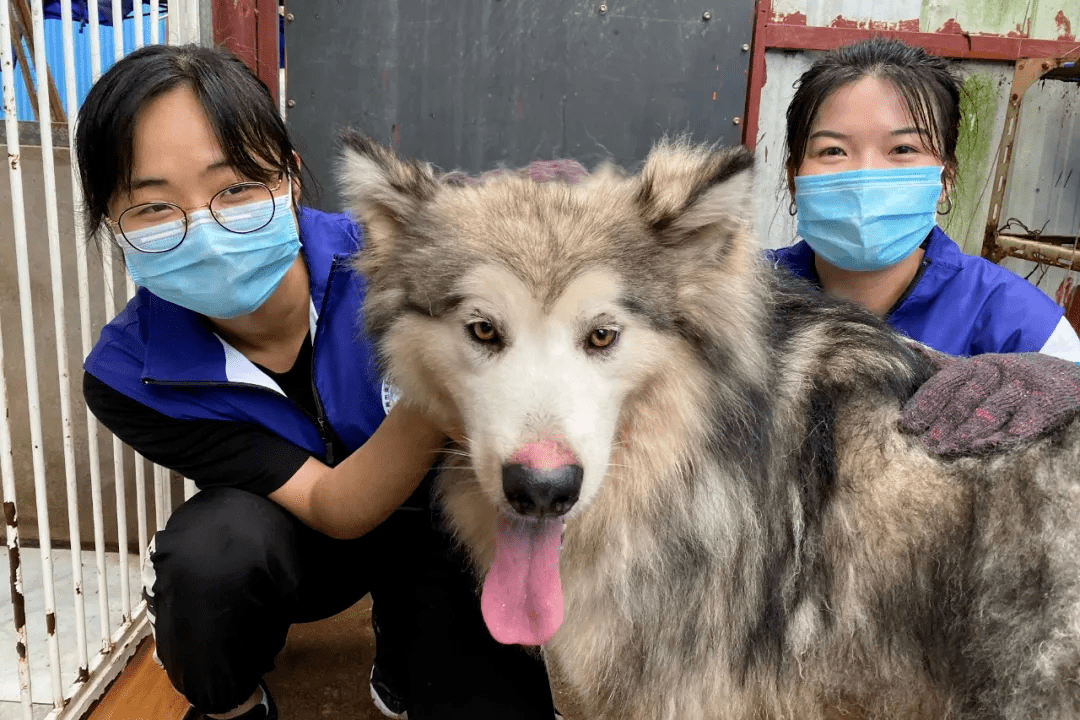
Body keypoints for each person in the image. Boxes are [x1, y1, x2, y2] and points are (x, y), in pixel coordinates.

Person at [75, 44, 557, 720]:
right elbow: (333, 505)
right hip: (305, 542)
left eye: (236, 187)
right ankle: (233, 707)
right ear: (110, 224)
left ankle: (411, 649)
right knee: (210, 556)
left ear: (290, 180)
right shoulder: (128, 374)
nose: (206, 226)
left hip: (437, 522)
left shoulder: (397, 260)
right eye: (154, 208)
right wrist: (429, 402)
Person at [770, 37, 1080, 362]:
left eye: (903, 149)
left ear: (946, 179)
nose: (865, 175)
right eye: (833, 151)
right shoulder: (738, 299)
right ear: (794, 179)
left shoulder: (1028, 333)